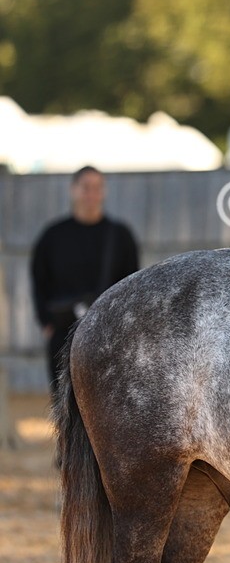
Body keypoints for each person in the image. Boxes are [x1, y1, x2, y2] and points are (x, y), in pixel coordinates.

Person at [31, 166, 139, 398]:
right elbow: (39, 280)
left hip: (109, 336)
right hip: (62, 335)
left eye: (97, 188)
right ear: (73, 190)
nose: (91, 194)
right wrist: (46, 323)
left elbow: (133, 286)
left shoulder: (120, 236)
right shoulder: (52, 236)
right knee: (65, 406)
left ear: (104, 192)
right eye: (86, 188)